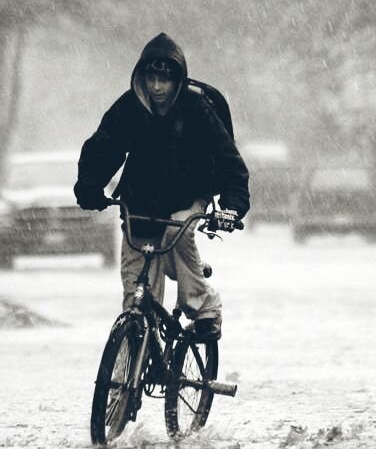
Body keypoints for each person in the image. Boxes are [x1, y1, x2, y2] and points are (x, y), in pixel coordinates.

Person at [73, 32, 250, 341]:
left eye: (164, 80)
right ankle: (125, 384)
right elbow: (103, 147)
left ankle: (203, 304)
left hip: (188, 198)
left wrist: (232, 206)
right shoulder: (129, 109)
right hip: (139, 206)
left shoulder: (196, 109)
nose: (156, 87)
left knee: (176, 230)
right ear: (141, 78)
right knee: (137, 302)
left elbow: (228, 160)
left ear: (177, 81)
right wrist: (89, 186)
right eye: (151, 78)